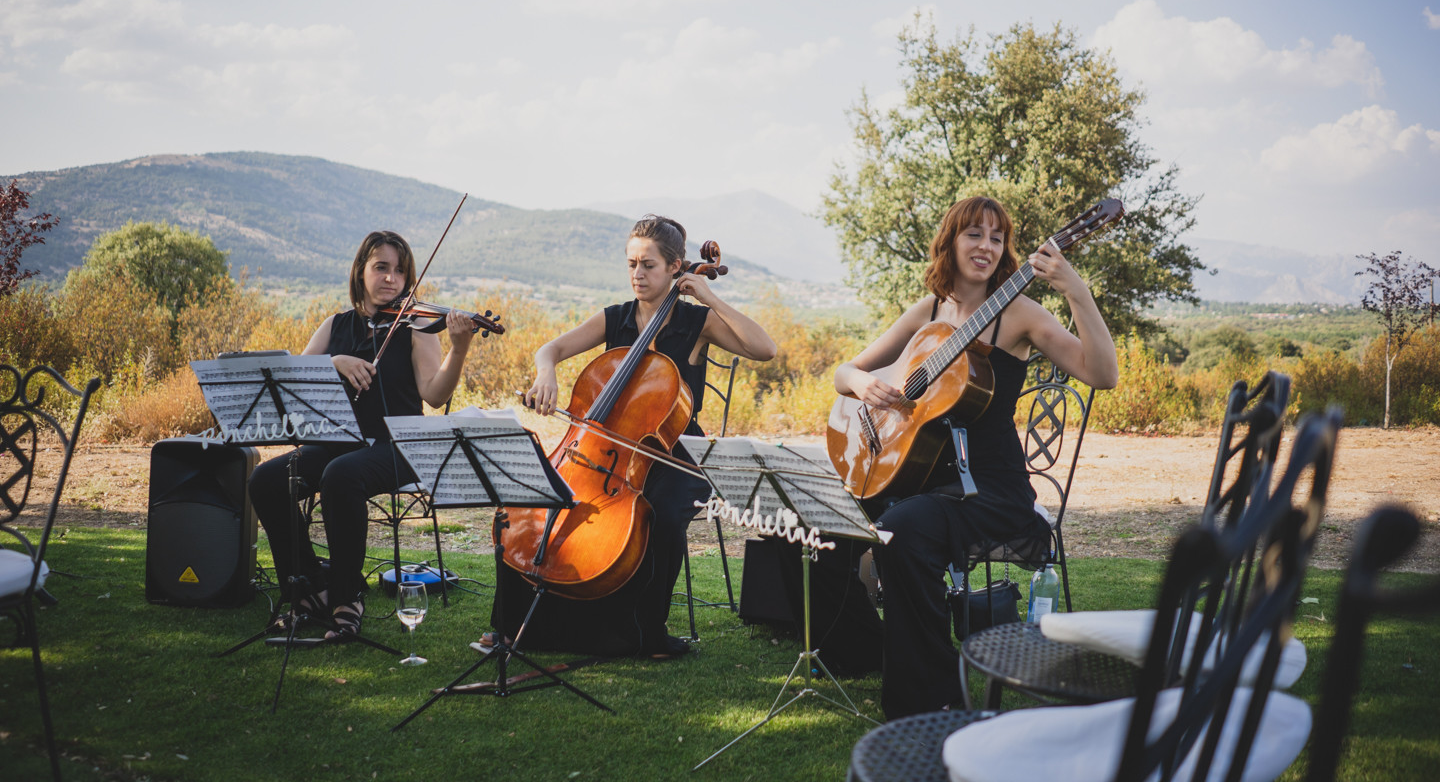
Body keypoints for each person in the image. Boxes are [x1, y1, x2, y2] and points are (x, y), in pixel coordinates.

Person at [832, 196, 1119, 719]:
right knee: (825, 524)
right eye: (974, 234)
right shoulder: (931, 310)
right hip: (918, 479)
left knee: (901, 532)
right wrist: (863, 384)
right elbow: (844, 372)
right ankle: (863, 652)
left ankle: (937, 692)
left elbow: (1102, 374)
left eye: (996, 237)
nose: (986, 246)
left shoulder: (1019, 314)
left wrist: (1075, 289)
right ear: (951, 241)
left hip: (987, 490)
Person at [493, 214, 777, 659]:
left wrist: (709, 295)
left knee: (661, 515)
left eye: (648, 265)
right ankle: (518, 627)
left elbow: (765, 349)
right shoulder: (615, 318)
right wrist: (545, 372)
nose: (637, 275)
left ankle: (646, 634)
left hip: (679, 453)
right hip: (604, 449)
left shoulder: (696, 323)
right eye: (631, 264)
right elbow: (551, 349)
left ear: (674, 268)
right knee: (530, 497)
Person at [248, 230, 476, 641]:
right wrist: (333, 361)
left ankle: (347, 598)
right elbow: (292, 380)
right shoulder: (335, 326)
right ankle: (308, 591)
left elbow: (434, 392)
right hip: (339, 443)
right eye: (381, 267)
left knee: (341, 475)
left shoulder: (419, 327)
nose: (391, 278)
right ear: (361, 272)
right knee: (265, 480)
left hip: (399, 446)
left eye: (400, 271)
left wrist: (458, 348)